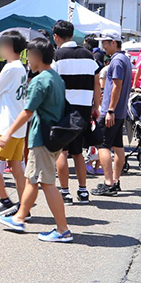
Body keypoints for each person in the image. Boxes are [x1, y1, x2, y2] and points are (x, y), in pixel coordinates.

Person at [0, 39, 71, 241]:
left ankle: (63, 230)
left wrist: (8, 132)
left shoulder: (40, 80)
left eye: (28, 55)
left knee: (46, 183)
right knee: (33, 179)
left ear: (37, 56)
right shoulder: (56, 78)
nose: (27, 59)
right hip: (54, 136)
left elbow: (27, 111)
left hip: (42, 137)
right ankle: (19, 217)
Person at [0, 29, 29, 220]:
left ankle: (4, 200)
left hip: (6, 127)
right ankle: (24, 208)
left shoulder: (10, 68)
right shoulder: (21, 68)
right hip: (16, 126)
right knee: (16, 167)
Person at [51, 20, 97, 205]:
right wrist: (96, 105)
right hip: (84, 107)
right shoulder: (88, 55)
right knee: (78, 152)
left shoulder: (57, 55)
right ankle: (83, 191)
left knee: (62, 151)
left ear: (56, 36)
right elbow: (96, 82)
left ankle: (65, 192)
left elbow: (53, 83)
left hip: (63, 108)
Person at [93, 31, 133, 197]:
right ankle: (115, 181)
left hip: (112, 110)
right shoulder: (124, 59)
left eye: (105, 43)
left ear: (113, 43)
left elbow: (117, 86)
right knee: (118, 146)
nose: (103, 46)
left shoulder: (117, 61)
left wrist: (109, 110)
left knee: (103, 145)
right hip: (120, 111)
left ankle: (109, 183)